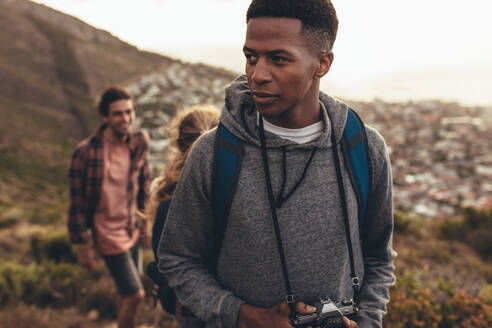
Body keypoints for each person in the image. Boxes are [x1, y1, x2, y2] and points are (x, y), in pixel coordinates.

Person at [157, 1, 396, 327]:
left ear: (322, 63)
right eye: (251, 56)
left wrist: (366, 322)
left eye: (278, 59)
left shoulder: (364, 149)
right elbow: (176, 259)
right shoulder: (214, 153)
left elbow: (379, 258)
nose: (257, 75)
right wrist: (241, 315)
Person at [67, 86, 150, 328]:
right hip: (106, 234)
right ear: (105, 117)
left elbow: (144, 183)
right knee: (136, 295)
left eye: (129, 112)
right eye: (118, 114)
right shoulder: (85, 153)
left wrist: (145, 221)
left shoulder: (138, 141)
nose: (126, 119)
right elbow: (77, 204)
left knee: (125, 291)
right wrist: (82, 245)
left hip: (131, 228)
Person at [145, 105, 220, 328]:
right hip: (235, 305)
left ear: (177, 144)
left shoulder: (169, 194)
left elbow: (164, 258)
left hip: (187, 305)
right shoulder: (233, 190)